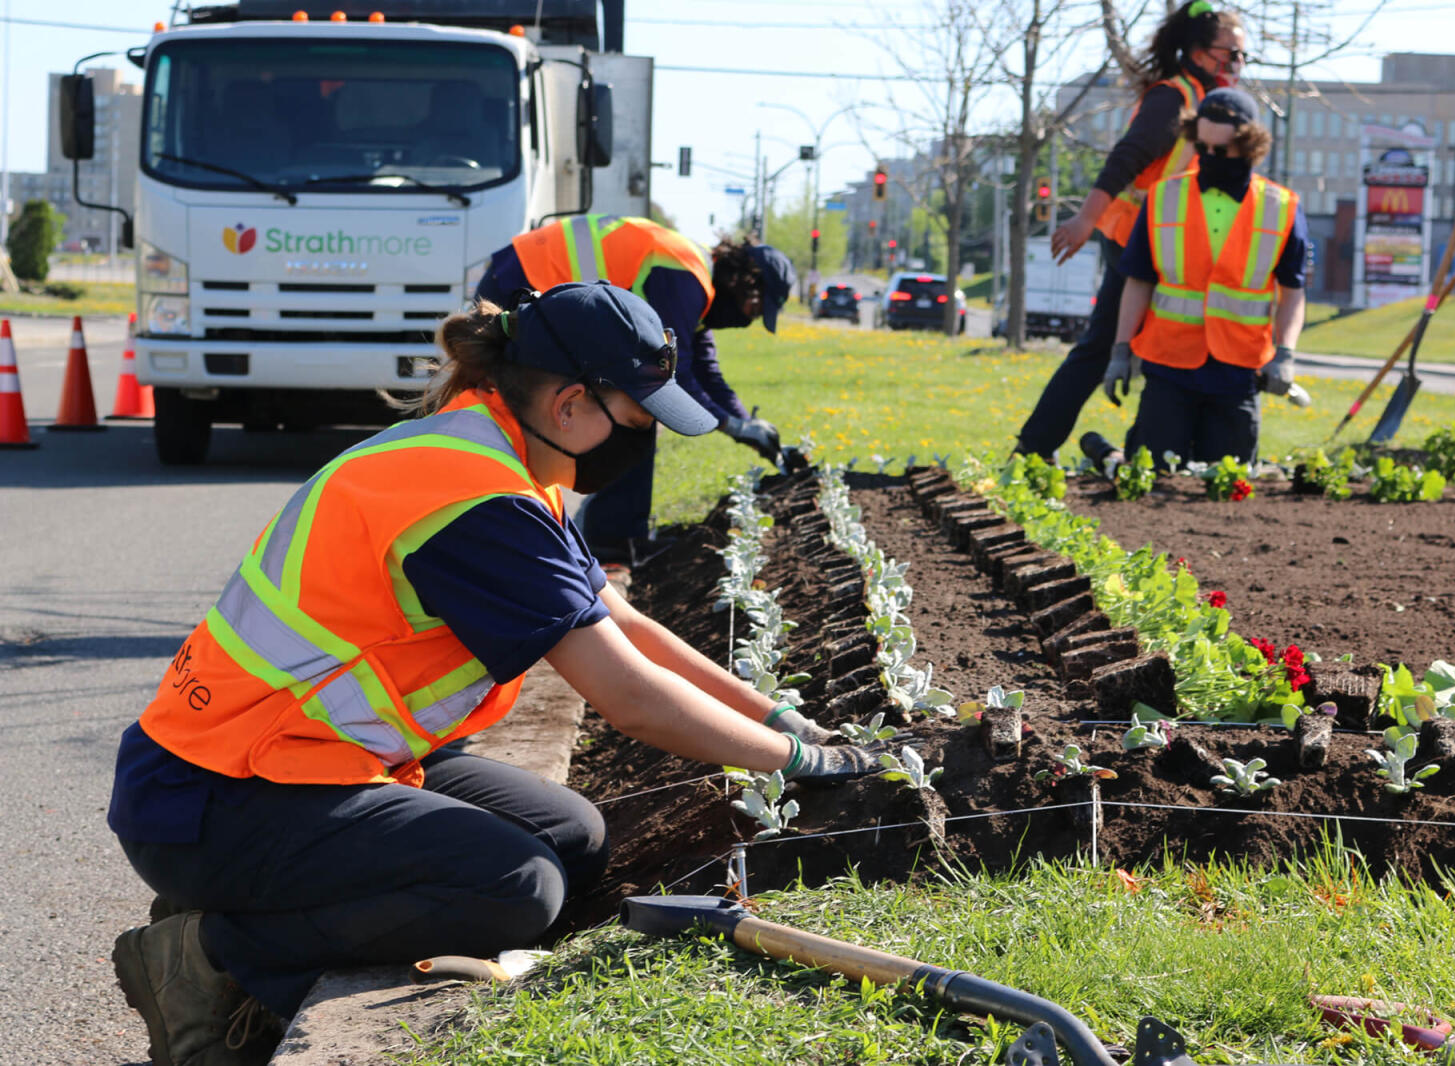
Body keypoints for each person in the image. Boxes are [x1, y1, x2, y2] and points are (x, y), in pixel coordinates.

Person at [106, 281, 877, 1066]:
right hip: (213, 797)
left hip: (312, 759)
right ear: (572, 403)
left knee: (572, 838)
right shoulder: (474, 502)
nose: (642, 442)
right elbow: (631, 698)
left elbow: (629, 626)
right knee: (516, 889)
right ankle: (211, 955)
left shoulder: (503, 456)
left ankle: (259, 901)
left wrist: (786, 722)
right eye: (639, 420)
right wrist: (801, 765)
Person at [474, 215, 798, 567]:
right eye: (753, 309)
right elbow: (676, 375)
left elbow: (706, 368)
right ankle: (611, 538)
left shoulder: (695, 277)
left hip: (528, 275)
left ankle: (612, 535)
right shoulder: (683, 275)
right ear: (743, 281)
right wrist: (732, 426)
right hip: (524, 282)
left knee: (636, 410)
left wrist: (745, 422)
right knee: (635, 412)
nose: (747, 320)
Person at [1014, 0, 1247, 459]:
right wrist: (1085, 217)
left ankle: (1158, 450)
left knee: (1147, 345)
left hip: (1163, 244)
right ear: (1200, 52)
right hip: (1133, 239)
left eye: (1242, 55)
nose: (1238, 64)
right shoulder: (1173, 98)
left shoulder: (1204, 99)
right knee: (1102, 346)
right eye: (1232, 53)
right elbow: (1127, 158)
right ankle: (1035, 448)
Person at [1102, 87, 1307, 467]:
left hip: (1238, 370)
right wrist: (1120, 349)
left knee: (1227, 486)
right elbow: (1139, 282)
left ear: (1249, 147)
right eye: (1203, 148)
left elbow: (1292, 292)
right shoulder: (1162, 198)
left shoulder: (1282, 208)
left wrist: (1286, 354)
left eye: (1221, 151)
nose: (1209, 158)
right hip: (1168, 366)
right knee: (1153, 477)